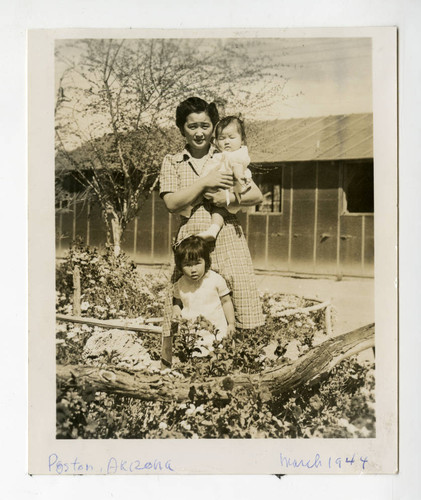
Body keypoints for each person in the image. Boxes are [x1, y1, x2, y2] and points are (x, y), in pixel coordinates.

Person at [159, 96, 265, 367]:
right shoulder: (172, 162)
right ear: (181, 128)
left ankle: (242, 369)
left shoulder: (226, 156)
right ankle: (187, 367)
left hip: (228, 236)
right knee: (188, 303)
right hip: (192, 243)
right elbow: (172, 203)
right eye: (192, 126)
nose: (199, 132)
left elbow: (256, 194)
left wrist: (229, 200)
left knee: (241, 301)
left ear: (213, 127)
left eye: (205, 125)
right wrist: (205, 182)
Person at [172, 235, 235, 355]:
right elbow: (177, 302)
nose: (193, 269)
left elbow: (226, 301)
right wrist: (176, 312)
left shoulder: (215, 279)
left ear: (206, 261)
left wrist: (231, 323)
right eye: (187, 265)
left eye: (197, 263)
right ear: (180, 266)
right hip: (191, 332)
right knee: (193, 354)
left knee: (217, 354)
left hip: (215, 329)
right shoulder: (180, 284)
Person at [197, 116, 253, 242]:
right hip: (220, 186)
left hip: (233, 186)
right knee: (217, 208)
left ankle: (213, 230)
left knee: (219, 210)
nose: (227, 142)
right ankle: (213, 229)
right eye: (222, 138)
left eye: (232, 137)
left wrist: (238, 175)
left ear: (242, 140)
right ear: (216, 141)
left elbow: (237, 165)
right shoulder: (220, 155)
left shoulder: (239, 153)